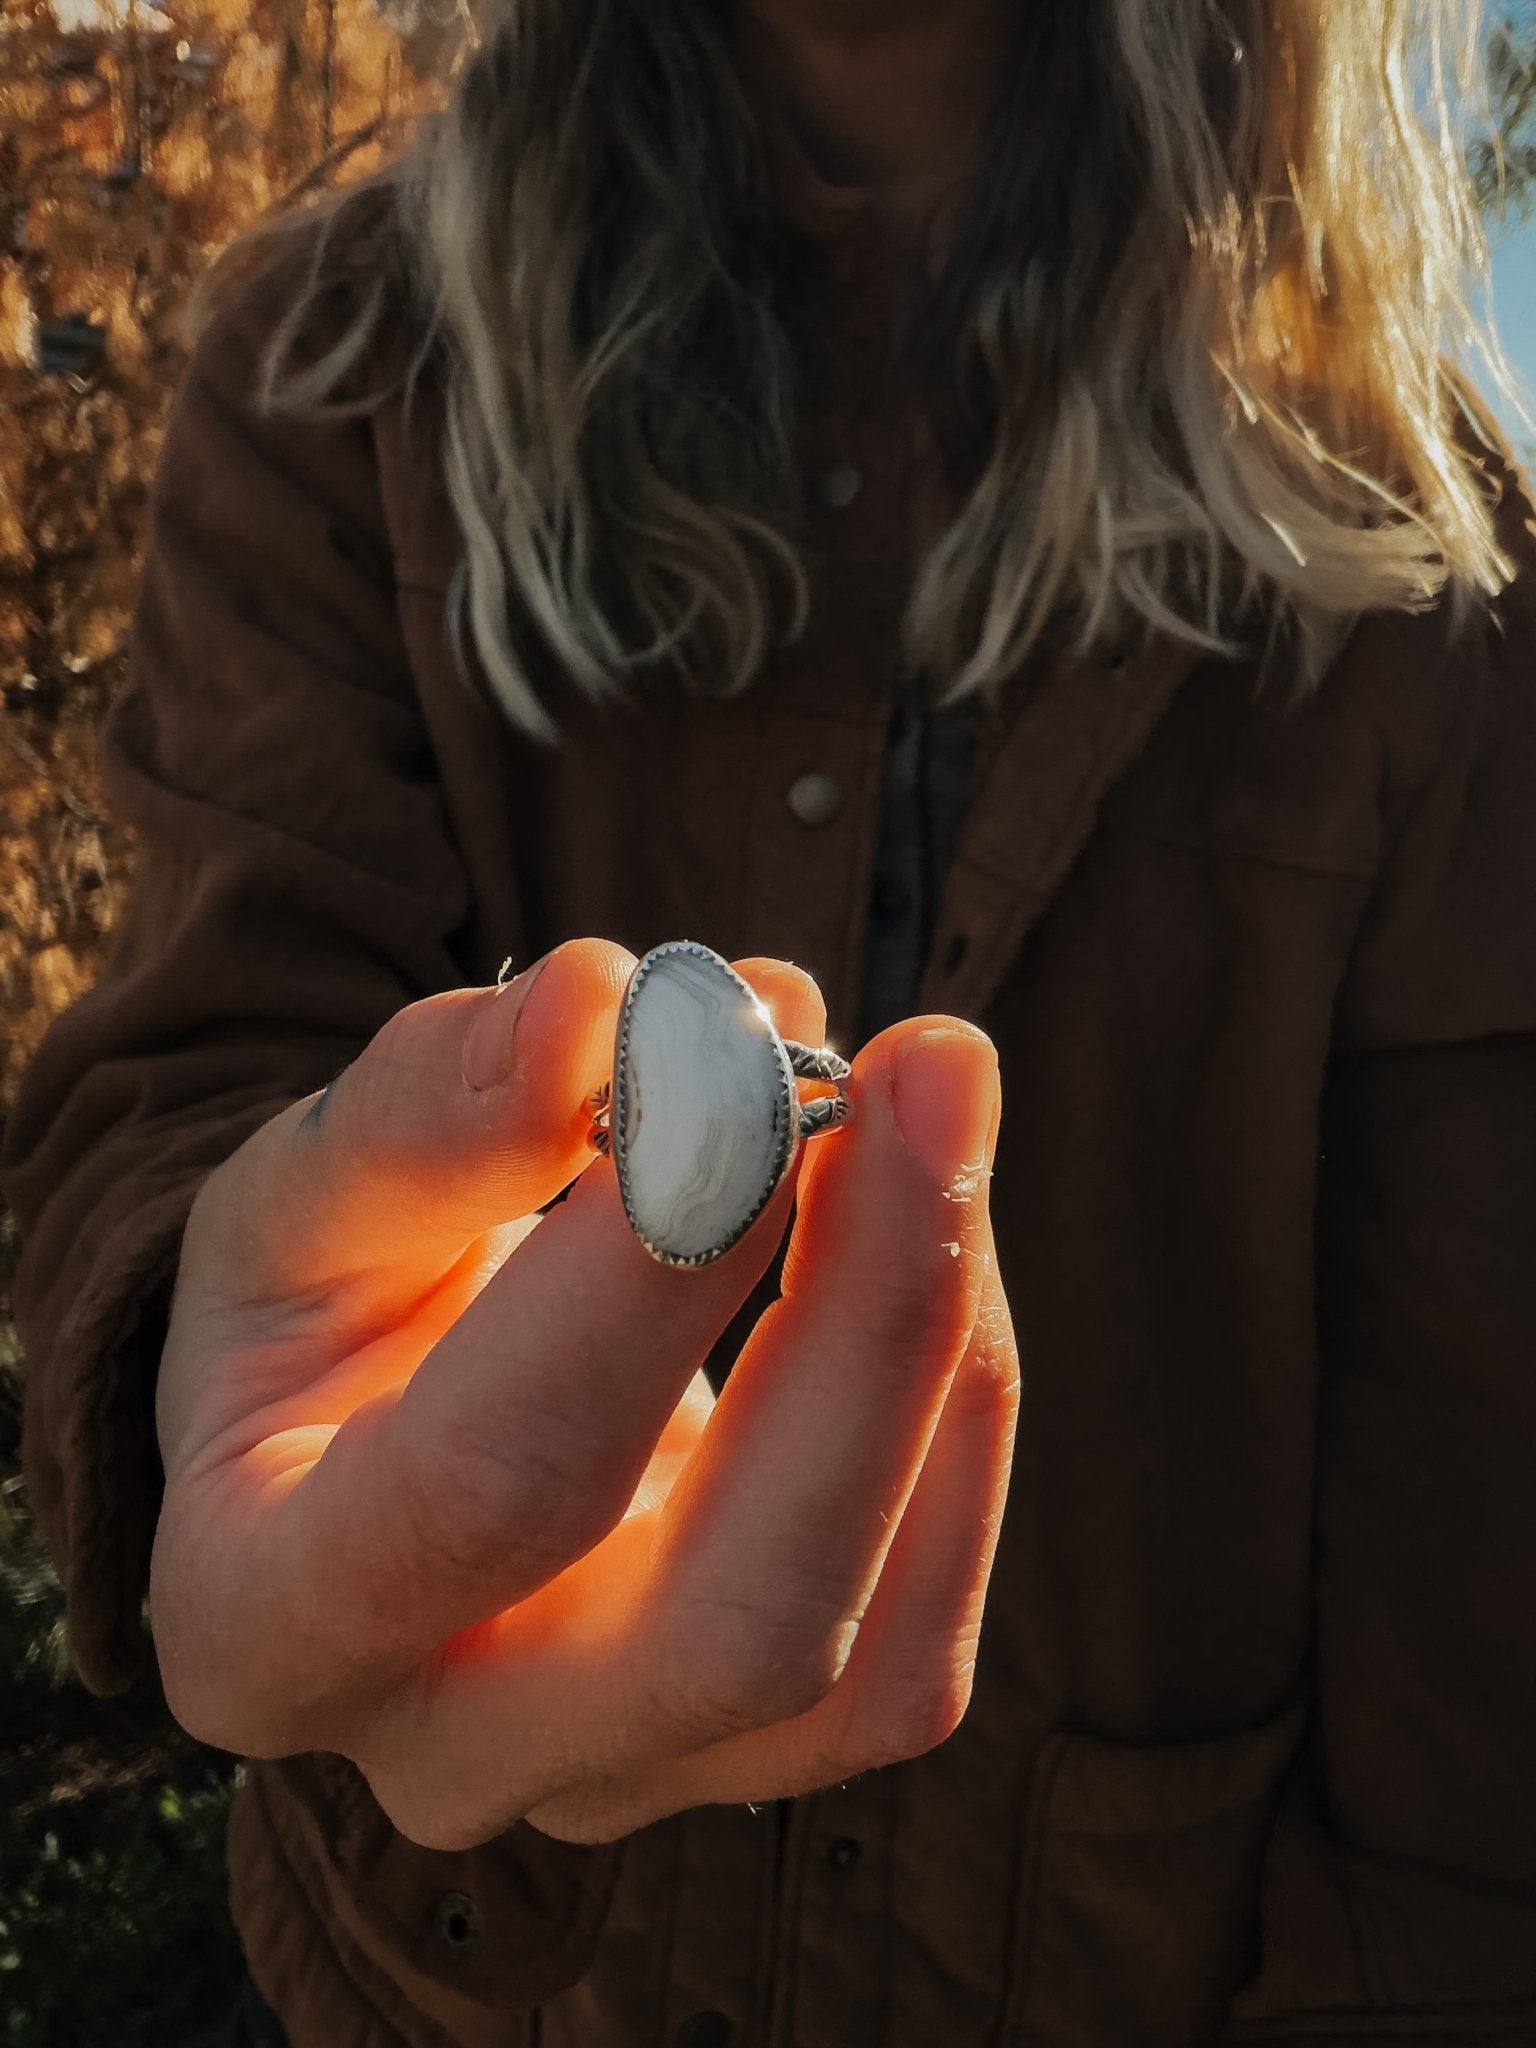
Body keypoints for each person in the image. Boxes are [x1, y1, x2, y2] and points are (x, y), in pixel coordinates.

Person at [5, 0, 1536, 2042]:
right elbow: (200, 1064)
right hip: (454, 1976)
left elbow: (1468, 1510)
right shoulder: (347, 366)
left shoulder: (1423, 550)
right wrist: (214, 1366)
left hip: (1137, 1964)